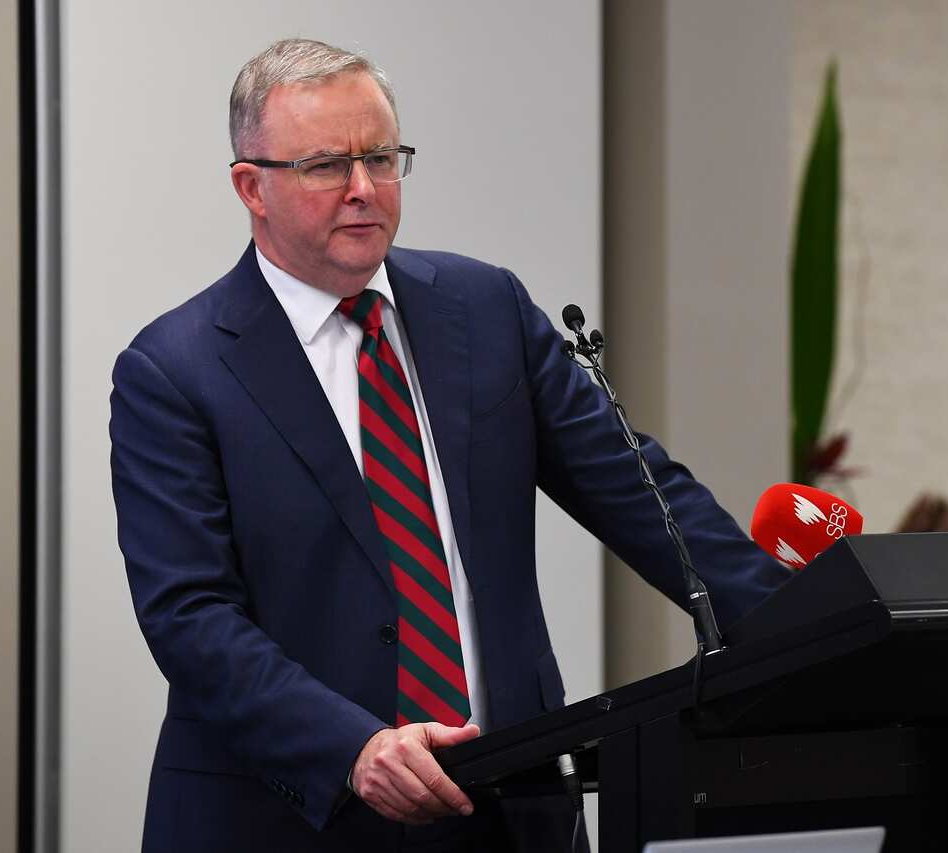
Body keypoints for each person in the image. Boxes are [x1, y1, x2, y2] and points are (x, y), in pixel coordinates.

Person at [110, 38, 789, 853]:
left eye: (382, 157)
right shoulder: (175, 369)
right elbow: (190, 619)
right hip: (291, 814)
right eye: (326, 165)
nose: (364, 190)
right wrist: (353, 746)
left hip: (508, 802)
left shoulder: (485, 308)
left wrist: (809, 625)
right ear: (251, 187)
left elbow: (642, 491)